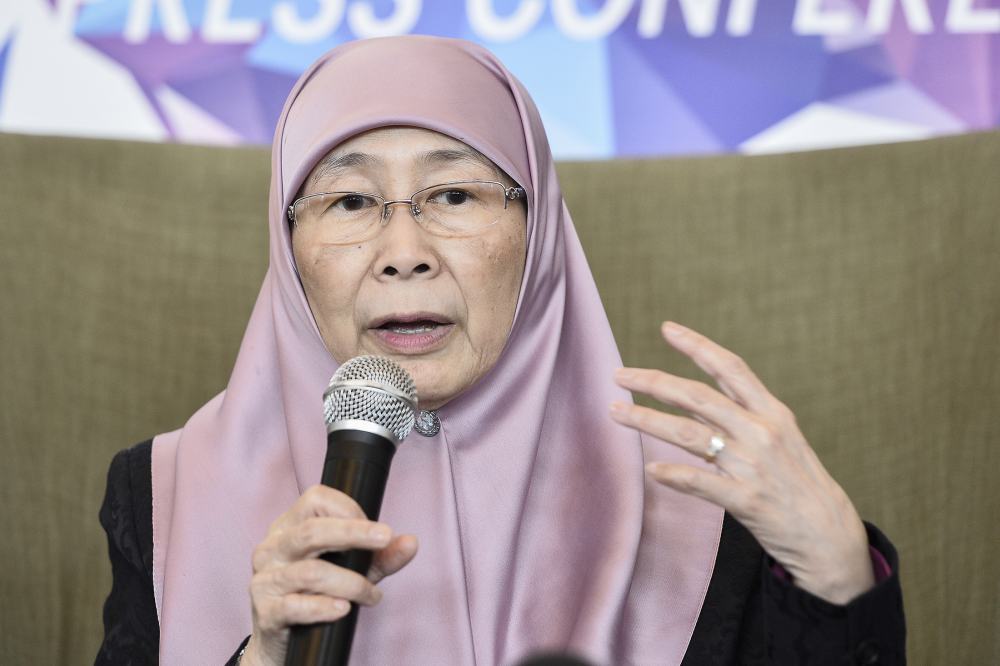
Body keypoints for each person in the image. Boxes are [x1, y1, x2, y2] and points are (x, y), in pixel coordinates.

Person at [97, 35, 905, 665]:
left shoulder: (704, 503)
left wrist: (839, 577)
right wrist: (267, 656)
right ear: (289, 246)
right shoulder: (163, 492)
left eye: (453, 194)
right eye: (349, 200)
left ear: (540, 234)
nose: (402, 249)